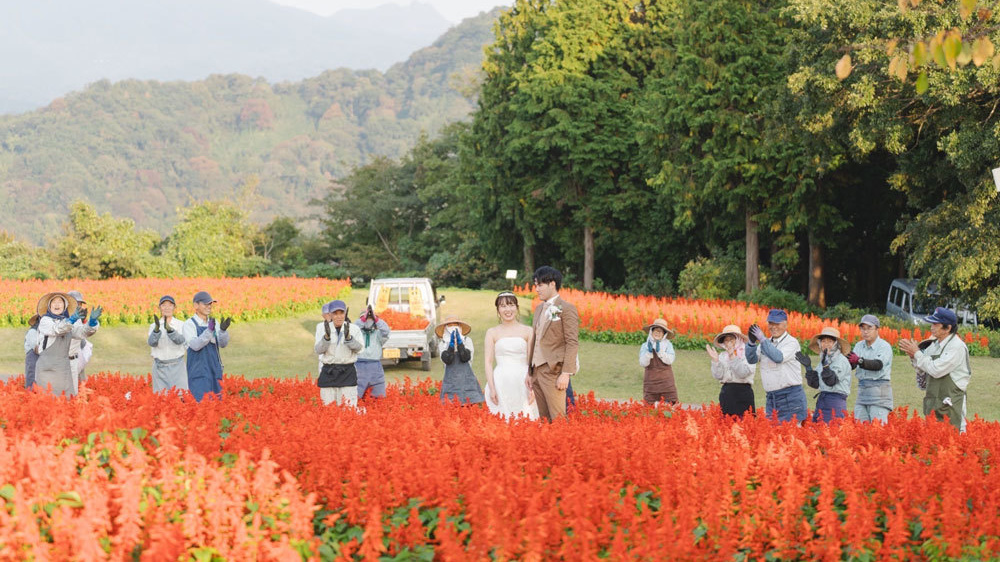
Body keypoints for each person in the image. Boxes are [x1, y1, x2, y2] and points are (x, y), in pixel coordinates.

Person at [899, 307, 971, 431]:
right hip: (934, 404)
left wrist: (917, 353)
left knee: (952, 442)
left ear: (948, 328)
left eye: (935, 324)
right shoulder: (935, 344)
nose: (931, 327)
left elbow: (935, 370)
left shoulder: (956, 347)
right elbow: (922, 367)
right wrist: (913, 356)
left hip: (952, 407)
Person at [526, 266, 580, 421]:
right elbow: (535, 340)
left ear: (552, 284)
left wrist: (566, 373)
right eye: (536, 285)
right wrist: (529, 372)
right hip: (536, 371)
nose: (536, 289)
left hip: (553, 372)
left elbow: (572, 342)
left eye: (540, 285)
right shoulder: (538, 309)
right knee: (544, 420)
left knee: (559, 419)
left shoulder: (567, 309)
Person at [746, 309, 808, 423]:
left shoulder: (791, 342)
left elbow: (778, 357)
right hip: (772, 398)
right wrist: (751, 343)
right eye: (771, 323)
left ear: (785, 324)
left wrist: (763, 340)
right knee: (773, 436)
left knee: (791, 436)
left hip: (790, 397)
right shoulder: (766, 342)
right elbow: (752, 359)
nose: (773, 327)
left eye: (777, 323)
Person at [34, 292, 102, 397]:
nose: (57, 305)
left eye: (60, 302)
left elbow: (82, 332)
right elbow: (57, 329)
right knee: (47, 399)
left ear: (65, 306)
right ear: (49, 306)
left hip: (63, 366)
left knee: (67, 399)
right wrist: (71, 320)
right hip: (48, 366)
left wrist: (92, 323)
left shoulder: (69, 322)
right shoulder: (45, 320)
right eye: (54, 302)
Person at [484, 291, 538, 419]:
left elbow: (532, 361)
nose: (508, 309)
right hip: (501, 381)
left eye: (511, 305)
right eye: (503, 306)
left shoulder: (528, 331)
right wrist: (492, 388)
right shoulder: (492, 332)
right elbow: (488, 362)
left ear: (516, 307)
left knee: (526, 419)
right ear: (498, 310)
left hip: (523, 382)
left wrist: (534, 385)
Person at [796, 327, 852, 423]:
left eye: (830, 341)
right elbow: (815, 384)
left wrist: (825, 365)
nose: (826, 345)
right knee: (818, 431)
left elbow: (831, 381)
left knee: (832, 432)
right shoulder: (823, 360)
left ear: (836, 344)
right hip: (822, 400)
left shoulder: (841, 360)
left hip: (835, 402)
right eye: (823, 341)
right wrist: (808, 368)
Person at [183, 291, 231, 402]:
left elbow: (223, 344)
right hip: (198, 371)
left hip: (214, 369)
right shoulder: (189, 324)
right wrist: (209, 331)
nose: (209, 307)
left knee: (217, 404)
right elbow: (195, 345)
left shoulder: (214, 322)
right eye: (205, 304)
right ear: (196, 305)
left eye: (210, 304)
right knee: (200, 404)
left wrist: (223, 331)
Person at [315, 300, 363, 407]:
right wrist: (326, 338)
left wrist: (349, 339)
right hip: (329, 372)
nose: (338, 316)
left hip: (347, 372)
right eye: (335, 313)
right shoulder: (322, 328)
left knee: (349, 408)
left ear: (345, 313)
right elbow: (318, 350)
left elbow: (360, 348)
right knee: (328, 409)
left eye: (341, 313)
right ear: (330, 315)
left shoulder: (354, 329)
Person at [851, 314, 894, 423]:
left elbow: (877, 365)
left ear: (877, 329)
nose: (865, 331)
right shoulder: (859, 346)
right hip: (862, 392)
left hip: (879, 392)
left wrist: (859, 360)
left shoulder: (884, 346)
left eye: (869, 328)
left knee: (877, 430)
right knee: (860, 429)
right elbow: (852, 365)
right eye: (863, 328)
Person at [705, 324, 755, 416]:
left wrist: (732, 356)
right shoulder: (723, 355)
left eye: (731, 339)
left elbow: (743, 373)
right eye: (726, 340)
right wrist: (715, 361)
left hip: (743, 392)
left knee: (746, 423)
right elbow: (718, 376)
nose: (728, 343)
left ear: (739, 339)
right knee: (726, 423)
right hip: (727, 393)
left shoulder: (748, 354)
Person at [436, 316, 485, 405]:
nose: (453, 327)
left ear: (460, 327)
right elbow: (447, 360)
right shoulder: (442, 344)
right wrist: (450, 346)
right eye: (450, 325)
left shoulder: (467, 341)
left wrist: (460, 344)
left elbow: (466, 357)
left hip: (467, 381)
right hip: (450, 383)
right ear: (446, 328)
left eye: (455, 325)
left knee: (469, 407)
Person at [148, 295, 188, 393]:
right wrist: (156, 331)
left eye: (170, 305)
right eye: (164, 305)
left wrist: (170, 330)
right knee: (161, 399)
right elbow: (152, 343)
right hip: (159, 368)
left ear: (174, 307)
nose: (167, 308)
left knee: (181, 398)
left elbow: (180, 340)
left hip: (177, 367)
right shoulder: (153, 326)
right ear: (159, 307)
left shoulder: (181, 324)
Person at [354, 304, 390, 399]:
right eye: (365, 318)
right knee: (355, 396)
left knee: (378, 397)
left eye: (371, 319)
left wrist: (376, 319)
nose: (368, 320)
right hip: (359, 366)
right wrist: (363, 318)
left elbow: (386, 331)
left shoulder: (378, 334)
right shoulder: (357, 333)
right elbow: (351, 329)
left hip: (375, 367)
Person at [638, 318, 678, 405]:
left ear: (664, 334)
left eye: (660, 331)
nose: (657, 332)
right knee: (650, 405)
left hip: (666, 380)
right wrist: (648, 352)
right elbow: (643, 363)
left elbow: (670, 360)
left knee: (669, 404)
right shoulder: (645, 345)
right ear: (651, 332)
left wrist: (660, 352)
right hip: (650, 380)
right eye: (655, 330)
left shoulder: (668, 345)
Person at [66, 290, 94, 394]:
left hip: (77, 354)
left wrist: (87, 322)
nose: (79, 306)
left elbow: (84, 333)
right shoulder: (64, 317)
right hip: (65, 358)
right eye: (77, 303)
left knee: (78, 385)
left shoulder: (77, 319)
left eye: (80, 304)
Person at [24, 314, 41, 389]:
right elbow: (36, 348)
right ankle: (30, 396)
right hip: (33, 357)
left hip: (40, 357)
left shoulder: (42, 332)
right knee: (32, 377)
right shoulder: (32, 331)